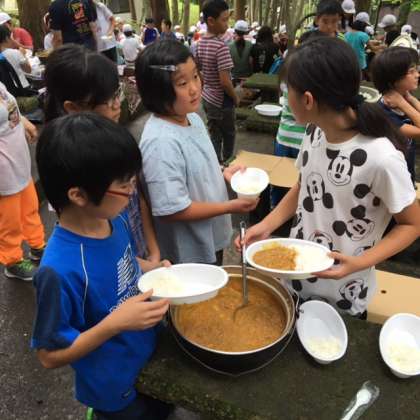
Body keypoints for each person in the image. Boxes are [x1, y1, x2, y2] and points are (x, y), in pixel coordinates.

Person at [236, 37, 420, 317]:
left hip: (344, 291)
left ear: (308, 100)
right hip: (296, 275)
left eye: (287, 91)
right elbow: (304, 186)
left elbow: (412, 224)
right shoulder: (315, 131)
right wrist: (266, 224)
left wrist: (359, 263)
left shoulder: (382, 158)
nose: (286, 99)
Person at [32, 113, 172, 420]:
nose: (132, 192)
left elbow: (121, 260)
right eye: (124, 185)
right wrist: (115, 323)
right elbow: (48, 356)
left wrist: (152, 268)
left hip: (148, 353)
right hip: (113, 384)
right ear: (78, 195)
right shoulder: (58, 271)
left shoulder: (113, 219)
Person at [44, 44, 166, 271]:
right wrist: (146, 266)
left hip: (137, 253)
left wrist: (153, 250)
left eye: (117, 93)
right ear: (73, 107)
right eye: (107, 100)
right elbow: (101, 248)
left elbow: (137, 196)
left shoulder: (116, 139)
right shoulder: (70, 163)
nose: (118, 104)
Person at [135, 40, 257, 265]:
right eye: (182, 83)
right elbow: (172, 209)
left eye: (195, 76)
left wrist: (223, 171)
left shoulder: (192, 118)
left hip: (210, 237)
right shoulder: (160, 143)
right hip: (188, 252)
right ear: (157, 90)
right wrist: (228, 207)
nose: (194, 88)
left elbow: (197, 161)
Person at [0, 81, 45, 281]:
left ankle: (37, 246)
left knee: (30, 207)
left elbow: (9, 108)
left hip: (18, 160)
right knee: (9, 220)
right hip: (3, 172)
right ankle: (12, 261)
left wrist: (23, 121)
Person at [195, 0, 239, 164]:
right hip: (222, 101)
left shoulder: (200, 43)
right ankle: (227, 163)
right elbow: (225, 82)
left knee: (214, 133)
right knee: (229, 134)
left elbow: (197, 69)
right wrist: (235, 97)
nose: (227, 24)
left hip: (207, 98)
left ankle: (214, 165)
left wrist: (206, 85)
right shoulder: (221, 47)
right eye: (224, 20)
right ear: (211, 21)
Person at [371, 47, 420, 188]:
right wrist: (404, 104)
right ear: (394, 80)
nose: (417, 74)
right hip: (394, 178)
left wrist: (411, 100)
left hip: (407, 166)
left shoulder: (406, 98)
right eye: (411, 71)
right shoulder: (384, 113)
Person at [0, 25, 32, 91]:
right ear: (7, 38)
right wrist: (23, 55)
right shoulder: (15, 53)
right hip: (22, 89)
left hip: (6, 91)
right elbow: (28, 70)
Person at [229, 20, 253, 85]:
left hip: (234, 78)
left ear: (235, 31)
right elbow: (251, 63)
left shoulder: (229, 46)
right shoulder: (250, 45)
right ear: (246, 32)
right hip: (247, 78)